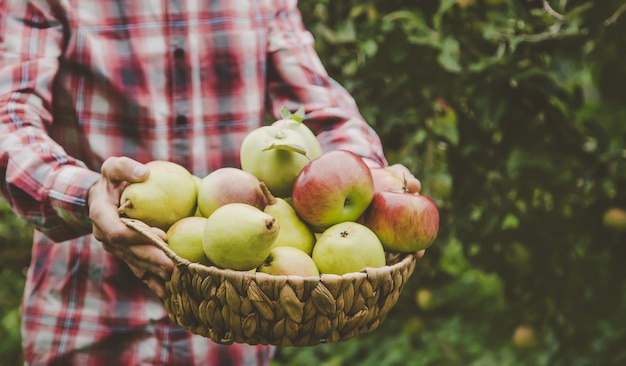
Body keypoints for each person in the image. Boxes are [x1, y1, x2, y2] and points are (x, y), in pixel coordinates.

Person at [0, 0, 421, 364]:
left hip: (237, 319)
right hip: (92, 315)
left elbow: (318, 105)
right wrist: (85, 191)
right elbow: (9, 116)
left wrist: (371, 178)